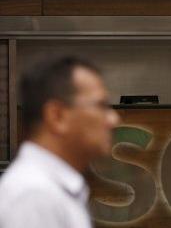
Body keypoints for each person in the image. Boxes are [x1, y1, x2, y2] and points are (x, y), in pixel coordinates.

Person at [0, 56, 120, 228]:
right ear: (57, 116)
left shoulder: (48, 189)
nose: (113, 119)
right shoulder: (34, 195)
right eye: (101, 106)